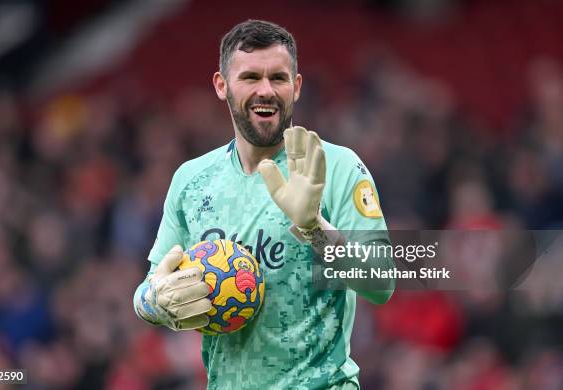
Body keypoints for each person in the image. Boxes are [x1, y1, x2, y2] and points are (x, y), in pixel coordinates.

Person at [133, 19, 394, 389]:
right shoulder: (191, 180)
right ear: (222, 86)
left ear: (297, 86)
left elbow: (382, 283)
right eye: (251, 77)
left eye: (279, 78)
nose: (266, 91)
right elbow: (150, 285)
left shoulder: (336, 167)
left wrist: (315, 230)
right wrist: (153, 301)